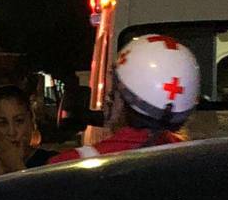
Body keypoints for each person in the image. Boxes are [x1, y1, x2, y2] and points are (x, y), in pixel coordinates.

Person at [49, 35, 200, 164]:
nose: (109, 97)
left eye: (114, 90)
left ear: (120, 100)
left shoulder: (67, 166)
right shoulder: (203, 163)